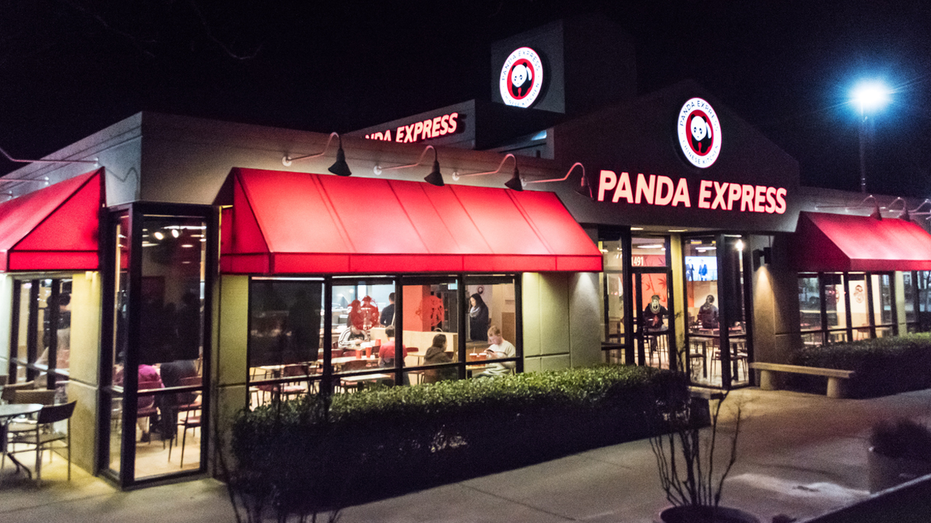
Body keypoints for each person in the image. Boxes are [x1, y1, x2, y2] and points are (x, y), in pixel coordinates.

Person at [158, 359, 199, 440]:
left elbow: (165, 384)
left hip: (176, 397)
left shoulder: (165, 364)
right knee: (169, 395)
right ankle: (173, 427)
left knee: (162, 398)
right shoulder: (190, 361)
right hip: (190, 396)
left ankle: (168, 431)